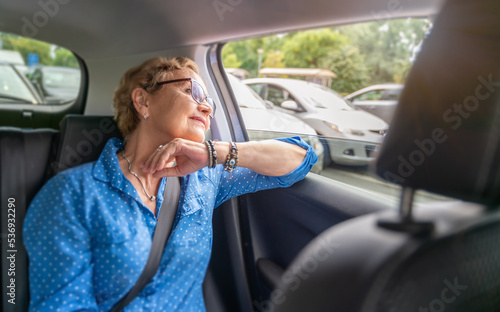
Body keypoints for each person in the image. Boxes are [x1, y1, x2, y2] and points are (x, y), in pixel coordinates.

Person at [23, 57, 318, 311]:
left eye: (209, 102)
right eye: (193, 91)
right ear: (143, 101)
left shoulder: (204, 178)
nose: (207, 108)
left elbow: (300, 160)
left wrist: (216, 152)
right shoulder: (72, 194)